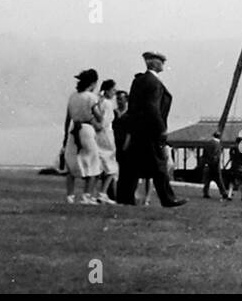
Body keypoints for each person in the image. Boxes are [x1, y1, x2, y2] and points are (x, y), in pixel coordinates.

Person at [115, 52, 185, 208]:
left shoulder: (139, 81)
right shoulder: (154, 83)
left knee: (131, 167)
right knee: (159, 166)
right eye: (161, 61)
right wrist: (161, 128)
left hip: (137, 130)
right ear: (154, 64)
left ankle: (124, 198)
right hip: (150, 131)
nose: (163, 64)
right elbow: (153, 108)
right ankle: (168, 199)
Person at [62, 70, 104, 204]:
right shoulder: (91, 97)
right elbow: (99, 117)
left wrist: (65, 135)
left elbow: (68, 118)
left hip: (74, 128)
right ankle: (87, 195)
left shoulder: (73, 96)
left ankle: (70, 195)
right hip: (86, 128)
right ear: (93, 83)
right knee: (93, 161)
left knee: (72, 162)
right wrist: (100, 103)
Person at [92, 79, 119, 203]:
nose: (115, 93)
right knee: (111, 166)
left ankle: (92, 193)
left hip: (96, 134)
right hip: (106, 134)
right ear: (108, 90)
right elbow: (105, 121)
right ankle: (102, 193)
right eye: (113, 90)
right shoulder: (107, 104)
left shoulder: (97, 101)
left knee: (98, 165)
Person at [200, 131, 231, 201]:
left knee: (207, 180)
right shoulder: (218, 145)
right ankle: (223, 193)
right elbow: (216, 156)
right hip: (214, 166)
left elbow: (204, 154)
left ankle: (206, 193)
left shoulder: (208, 143)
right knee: (219, 180)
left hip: (207, 164)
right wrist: (215, 165)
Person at [227, 125, 242, 202]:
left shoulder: (232, 148)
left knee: (231, 182)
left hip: (233, 166)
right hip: (240, 167)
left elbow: (231, 157)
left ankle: (229, 195)